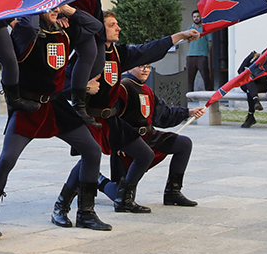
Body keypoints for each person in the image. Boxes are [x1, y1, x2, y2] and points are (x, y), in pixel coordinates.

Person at [54, 11, 199, 217]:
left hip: (110, 119)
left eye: (117, 24)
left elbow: (147, 51)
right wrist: (84, 88)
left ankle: (124, 199)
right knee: (89, 158)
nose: (118, 28)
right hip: (89, 118)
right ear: (98, 28)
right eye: (112, 24)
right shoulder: (84, 54)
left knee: (144, 154)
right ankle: (61, 207)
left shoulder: (118, 53)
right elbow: (59, 86)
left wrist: (180, 36)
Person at [0, 4, 111, 233]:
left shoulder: (63, 30)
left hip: (56, 104)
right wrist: (37, 4)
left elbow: (95, 26)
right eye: (48, 4)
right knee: (7, 160)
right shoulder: (25, 32)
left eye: (55, 4)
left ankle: (85, 212)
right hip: (29, 105)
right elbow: (30, 25)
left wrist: (66, 10)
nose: (53, 8)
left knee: (92, 150)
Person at [96, 64, 207, 210]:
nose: (145, 70)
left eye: (148, 67)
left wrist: (188, 112)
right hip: (129, 141)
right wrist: (119, 142)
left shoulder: (147, 90)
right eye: (141, 66)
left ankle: (172, 192)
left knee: (184, 144)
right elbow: (110, 118)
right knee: (121, 194)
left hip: (149, 136)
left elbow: (163, 114)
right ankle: (98, 180)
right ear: (129, 68)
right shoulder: (122, 88)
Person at [185, 10, 212, 91]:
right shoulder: (189, 29)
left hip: (202, 56)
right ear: (192, 18)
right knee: (189, 78)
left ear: (201, 17)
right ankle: (189, 95)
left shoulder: (205, 28)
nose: (196, 18)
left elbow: (210, 42)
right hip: (191, 56)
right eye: (194, 17)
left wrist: (206, 51)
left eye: (197, 16)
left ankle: (209, 94)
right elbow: (188, 42)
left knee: (206, 76)